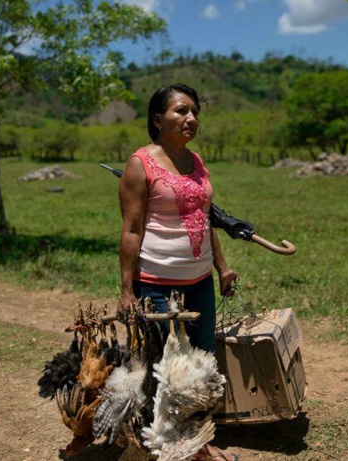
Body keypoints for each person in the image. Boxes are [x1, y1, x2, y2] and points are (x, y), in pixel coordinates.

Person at [117, 83, 239, 461]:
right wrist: (126, 290)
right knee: (167, 368)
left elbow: (204, 220)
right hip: (156, 284)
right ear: (158, 120)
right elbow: (131, 229)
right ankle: (166, 445)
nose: (191, 118)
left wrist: (221, 266)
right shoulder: (141, 164)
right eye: (181, 111)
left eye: (194, 113)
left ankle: (198, 439)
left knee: (202, 363)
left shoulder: (196, 161)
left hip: (200, 281)